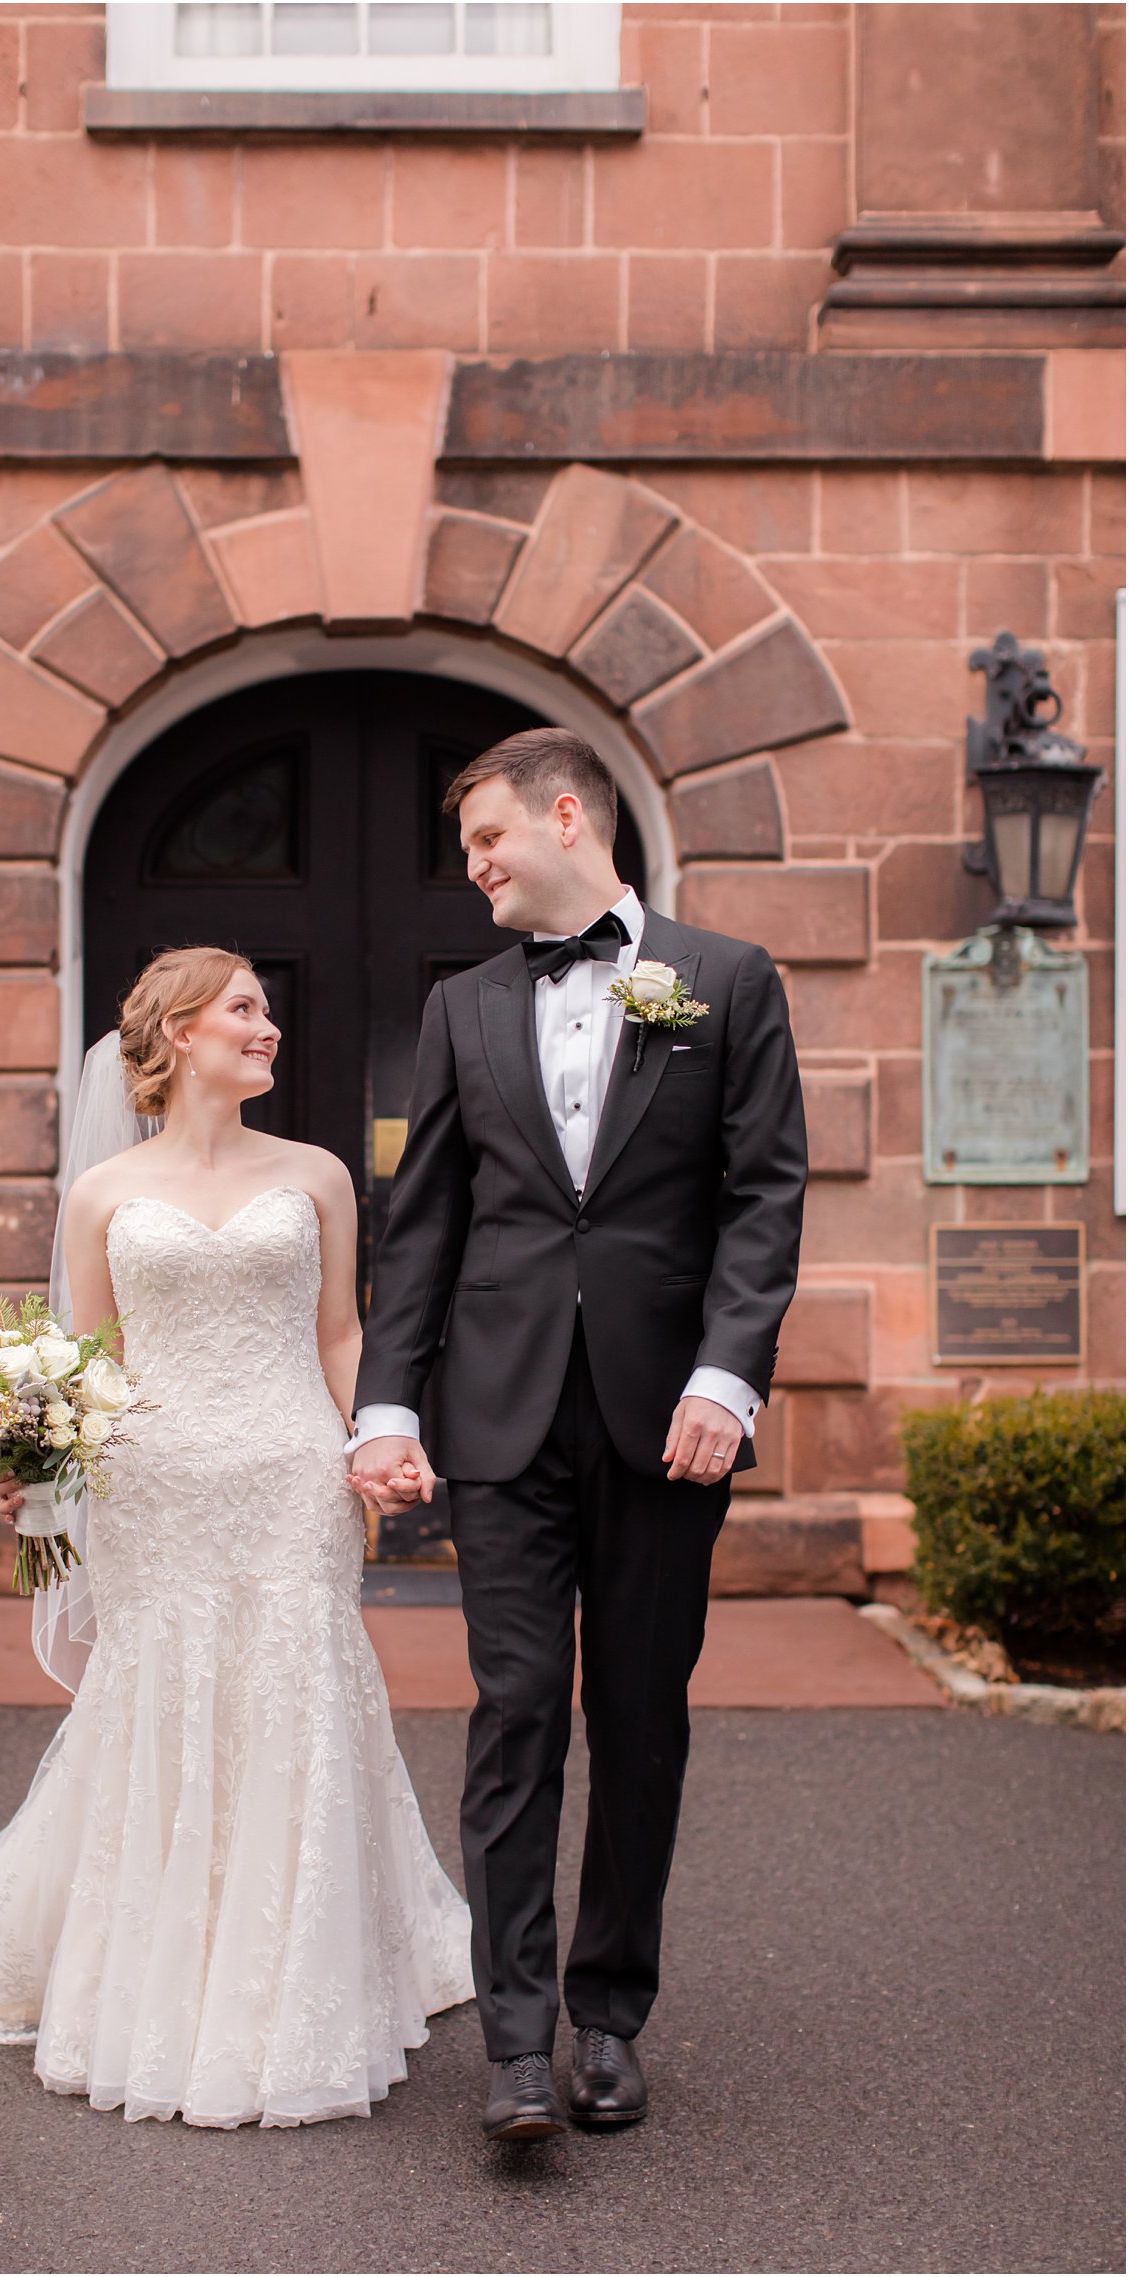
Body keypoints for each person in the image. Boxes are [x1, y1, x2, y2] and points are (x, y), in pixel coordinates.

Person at [0, 945, 474, 2128]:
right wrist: (42, 1468)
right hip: (154, 1486)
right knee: (161, 1697)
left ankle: (291, 1983)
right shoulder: (103, 1193)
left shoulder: (317, 1174)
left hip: (283, 1474)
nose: (268, 1027)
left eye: (266, 1009)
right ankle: (153, 1977)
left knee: (295, 1693)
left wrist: (374, 1438)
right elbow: (89, 1362)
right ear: (175, 1034)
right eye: (243, 1009)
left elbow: (336, 1334)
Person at [347, 727, 806, 2142]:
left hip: (668, 1416)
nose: (475, 867)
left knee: (643, 1716)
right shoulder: (463, 1007)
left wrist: (727, 1381)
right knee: (519, 1709)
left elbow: (763, 1194)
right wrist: (388, 1400)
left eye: (488, 839)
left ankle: (613, 2014)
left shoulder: (725, 981)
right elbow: (421, 1221)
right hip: (504, 1412)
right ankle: (520, 2041)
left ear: (565, 815)